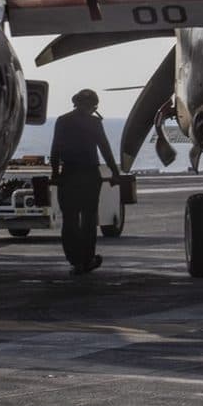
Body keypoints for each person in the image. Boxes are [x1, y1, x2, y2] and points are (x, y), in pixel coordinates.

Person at [50, 89, 120, 275]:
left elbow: (55, 149)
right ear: (94, 106)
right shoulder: (94, 123)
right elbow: (105, 149)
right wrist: (115, 172)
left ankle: (74, 258)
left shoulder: (62, 121)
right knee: (89, 219)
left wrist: (55, 174)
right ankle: (87, 258)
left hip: (69, 175)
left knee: (70, 219)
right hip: (89, 176)